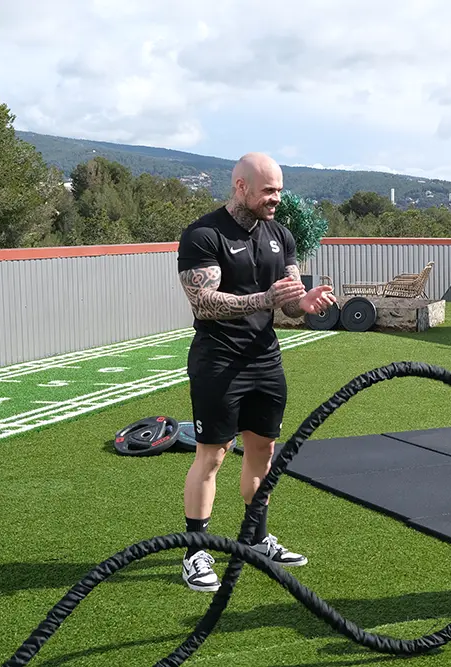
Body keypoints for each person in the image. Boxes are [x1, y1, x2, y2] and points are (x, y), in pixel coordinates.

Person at [175, 152, 336, 592]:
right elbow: (204, 302)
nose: (276, 199)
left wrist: (300, 303)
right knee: (213, 455)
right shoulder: (204, 235)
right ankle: (196, 551)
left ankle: (257, 537)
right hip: (219, 361)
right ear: (241, 186)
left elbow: (285, 296)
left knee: (262, 452)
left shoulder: (280, 234)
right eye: (268, 190)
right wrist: (264, 299)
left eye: (279, 190)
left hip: (265, 359)